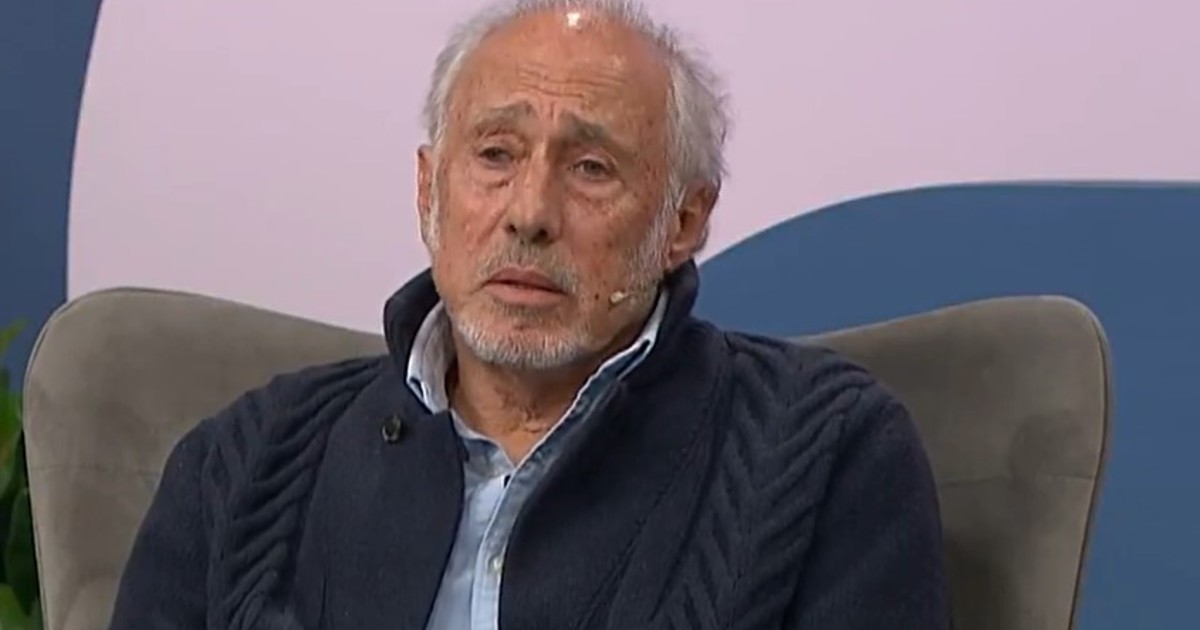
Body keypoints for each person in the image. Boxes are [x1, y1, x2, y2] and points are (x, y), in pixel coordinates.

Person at [109, 0, 949, 628]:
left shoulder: (826, 451)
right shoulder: (244, 461)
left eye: (590, 167)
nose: (530, 212)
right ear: (429, 190)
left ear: (684, 221)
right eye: (495, 154)